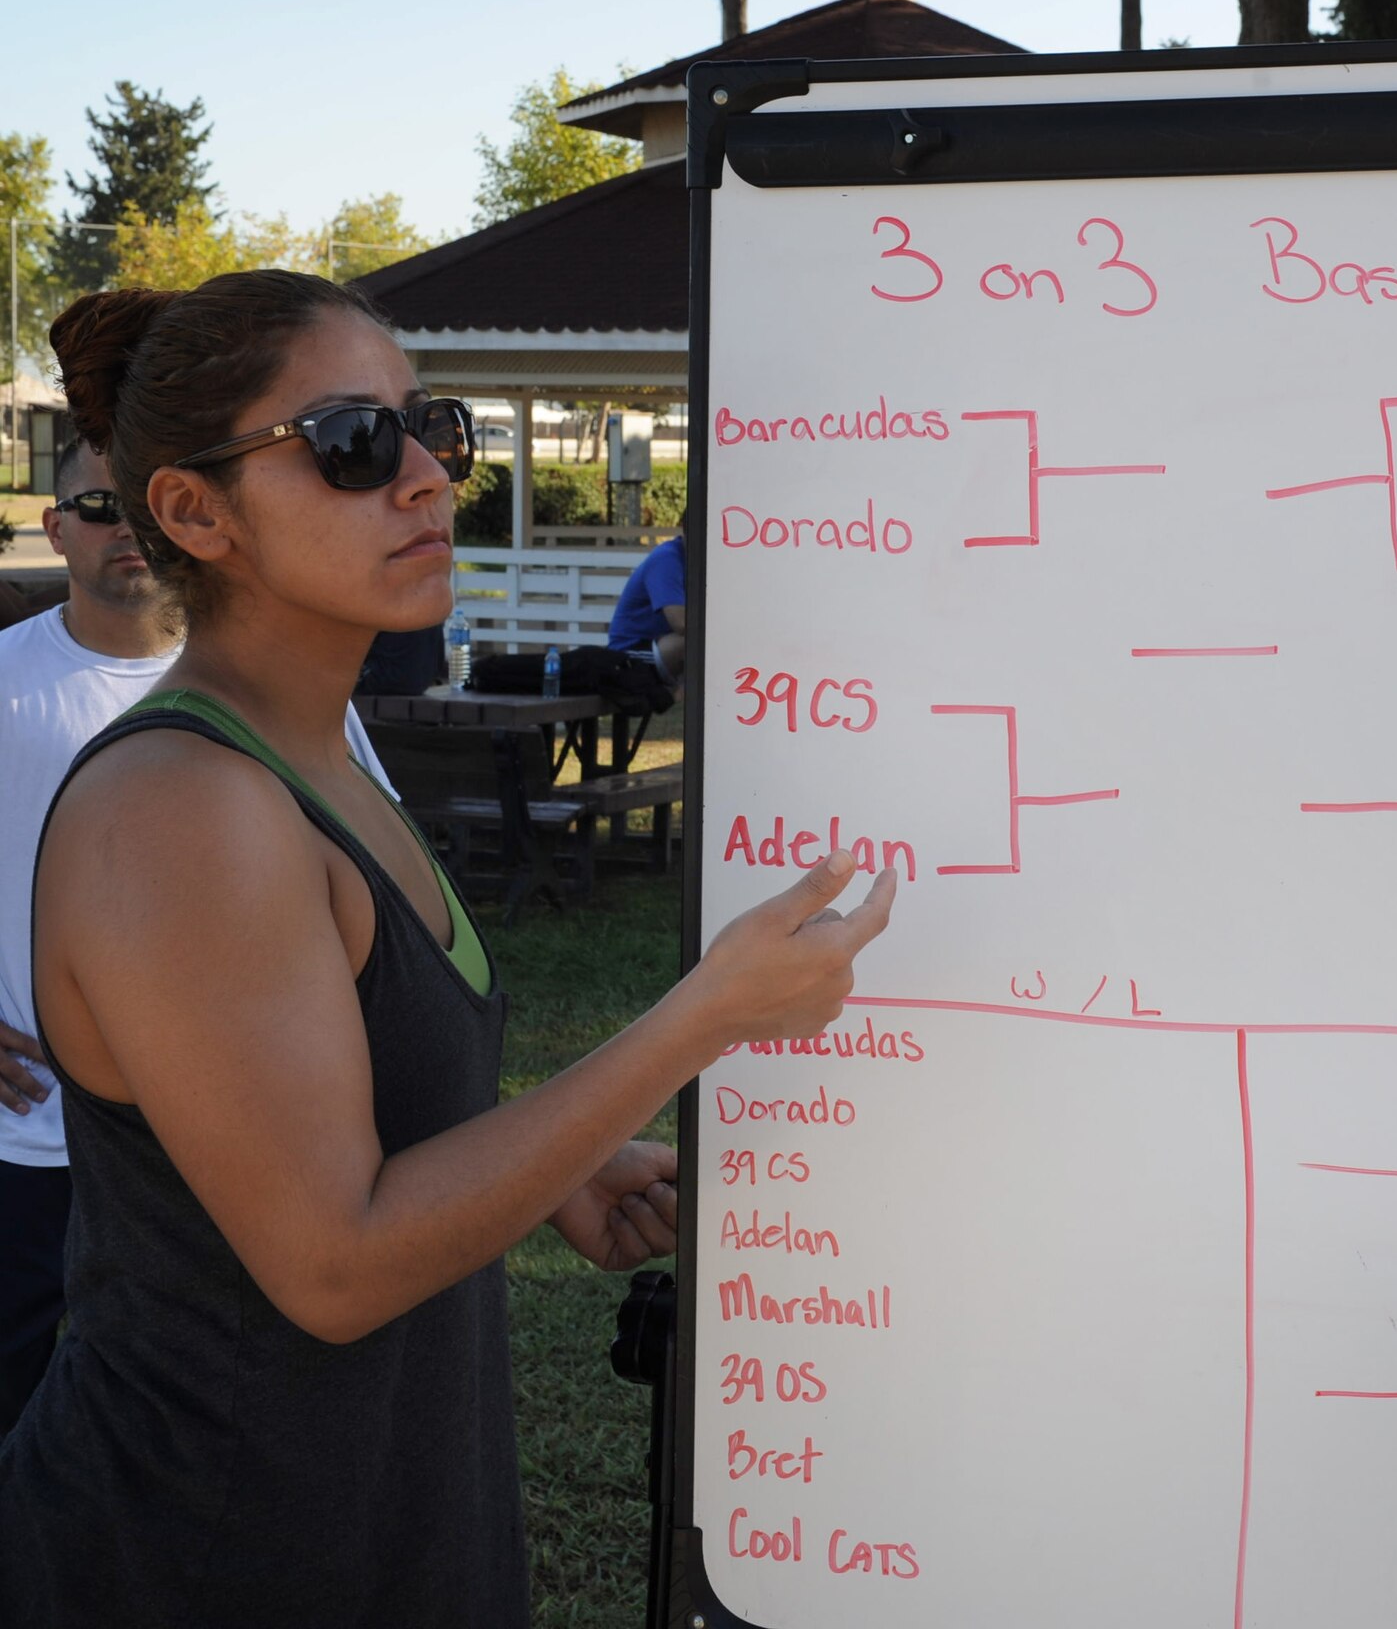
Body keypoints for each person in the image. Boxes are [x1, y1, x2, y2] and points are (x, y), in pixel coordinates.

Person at [0, 273, 893, 1627]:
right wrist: (702, 1017)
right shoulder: (182, 806)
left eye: (438, 431)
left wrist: (547, 1172)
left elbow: (321, 1117)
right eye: (354, 443)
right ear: (193, 511)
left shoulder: (321, 751)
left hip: (369, 1515)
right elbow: (334, 1263)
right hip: (206, 1549)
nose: (425, 479)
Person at [0, 437, 401, 1441]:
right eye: (96, 506)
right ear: (54, 529)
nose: (123, 528)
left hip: (211, 1149)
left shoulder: (269, 690)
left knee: (178, 1425)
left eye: (140, 505)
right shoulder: (7, 680)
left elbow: (378, 869)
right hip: (25, 1136)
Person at [606, 507, 686, 682]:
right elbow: (681, 623)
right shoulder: (666, 559)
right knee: (701, 640)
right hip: (630, 651)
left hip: (660, 643)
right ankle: (681, 694)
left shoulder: (699, 560)